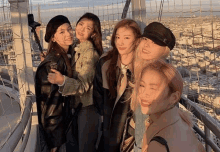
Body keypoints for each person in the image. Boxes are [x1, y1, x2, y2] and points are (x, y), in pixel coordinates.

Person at [47, 12, 103, 152]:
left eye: (88, 28)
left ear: (94, 34)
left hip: (87, 108)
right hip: (76, 106)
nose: (82, 29)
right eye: (81, 24)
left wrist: (62, 81)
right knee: (74, 144)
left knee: (85, 147)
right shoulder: (76, 47)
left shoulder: (90, 53)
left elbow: (83, 85)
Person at [131, 60, 205, 152]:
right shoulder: (181, 121)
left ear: (174, 97)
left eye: (153, 88)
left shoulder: (159, 144)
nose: (144, 93)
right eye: (142, 85)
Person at [93, 19, 141, 152]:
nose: (120, 42)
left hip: (130, 134)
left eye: (126, 37)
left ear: (137, 40)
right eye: (118, 37)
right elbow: (97, 93)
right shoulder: (106, 63)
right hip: (108, 128)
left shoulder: (141, 68)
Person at [132, 22, 176, 152]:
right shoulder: (144, 69)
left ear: (165, 50)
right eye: (145, 39)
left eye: (155, 43)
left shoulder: (161, 76)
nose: (146, 45)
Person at [35, 15, 74, 152]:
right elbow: (51, 106)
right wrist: (55, 143)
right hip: (56, 134)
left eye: (69, 29)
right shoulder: (53, 64)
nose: (68, 34)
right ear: (53, 38)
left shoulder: (65, 55)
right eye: (61, 32)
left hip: (64, 126)